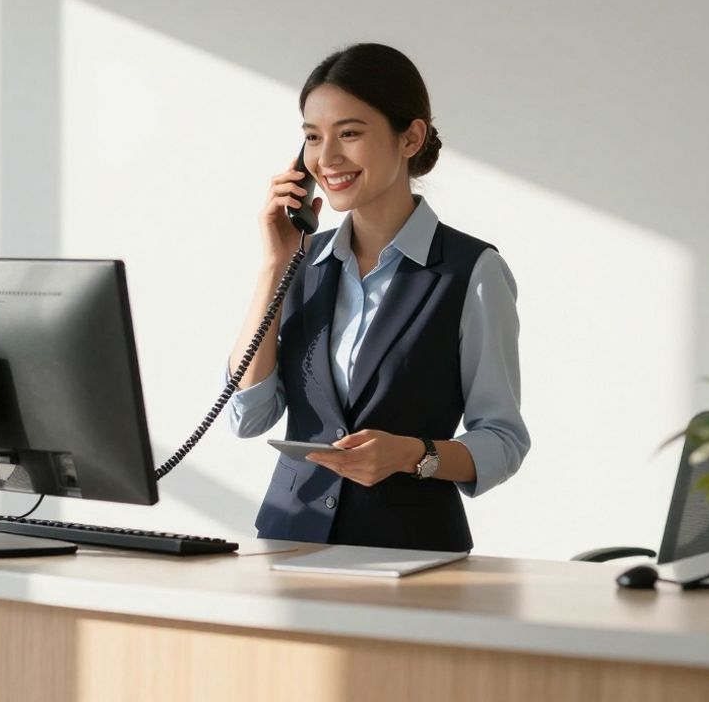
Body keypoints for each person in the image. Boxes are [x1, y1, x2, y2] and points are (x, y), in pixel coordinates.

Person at [225, 43, 530, 552]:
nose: (327, 158)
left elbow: (503, 440)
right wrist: (274, 266)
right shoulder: (301, 262)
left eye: (349, 133)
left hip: (410, 554)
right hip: (288, 542)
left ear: (410, 137)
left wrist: (412, 454)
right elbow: (246, 416)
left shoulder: (472, 271)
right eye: (312, 137)